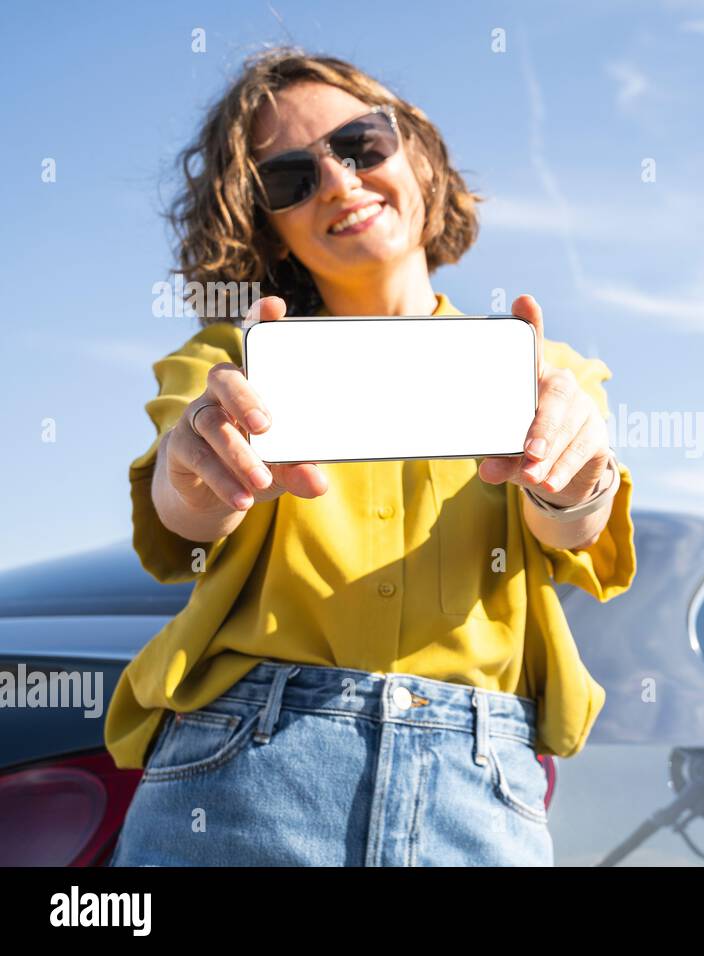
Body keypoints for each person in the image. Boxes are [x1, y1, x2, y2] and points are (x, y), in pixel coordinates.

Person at [105, 48, 636, 866]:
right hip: (245, 773)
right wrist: (197, 469)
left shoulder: (546, 368)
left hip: (478, 787)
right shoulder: (229, 360)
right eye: (290, 178)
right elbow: (185, 515)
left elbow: (573, 530)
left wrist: (572, 482)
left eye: (361, 145)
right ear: (265, 224)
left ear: (417, 155)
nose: (338, 182)